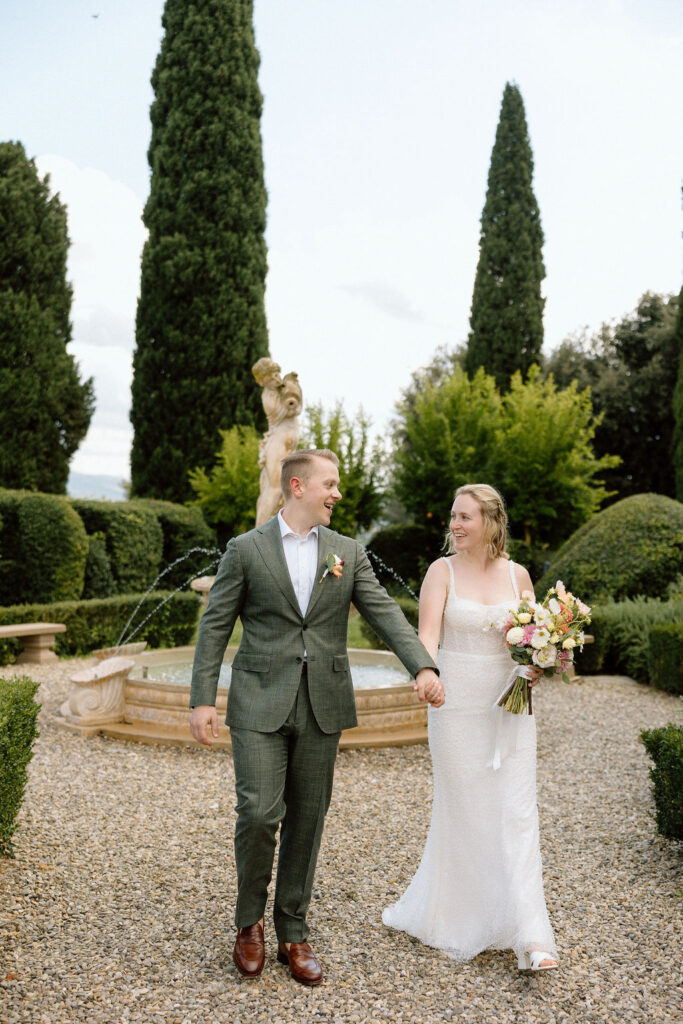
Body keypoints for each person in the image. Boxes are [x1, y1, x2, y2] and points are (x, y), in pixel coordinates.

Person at [189, 449, 444, 986]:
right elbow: (214, 627)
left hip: (323, 702)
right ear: (298, 485)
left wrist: (422, 665)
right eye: (330, 484)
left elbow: (385, 613)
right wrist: (201, 699)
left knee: (308, 818)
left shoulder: (347, 552)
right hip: (259, 700)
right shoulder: (245, 550)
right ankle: (248, 924)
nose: (338, 494)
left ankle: (293, 931)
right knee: (259, 812)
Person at [382, 483, 558, 972]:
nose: (455, 525)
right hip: (455, 703)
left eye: (465, 517)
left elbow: (531, 640)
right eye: (453, 517)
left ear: (490, 522)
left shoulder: (519, 576)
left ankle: (530, 933)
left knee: (516, 812)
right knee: (464, 808)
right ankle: (462, 918)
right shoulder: (441, 572)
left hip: (510, 707)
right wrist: (429, 673)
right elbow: (428, 635)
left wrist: (538, 664)